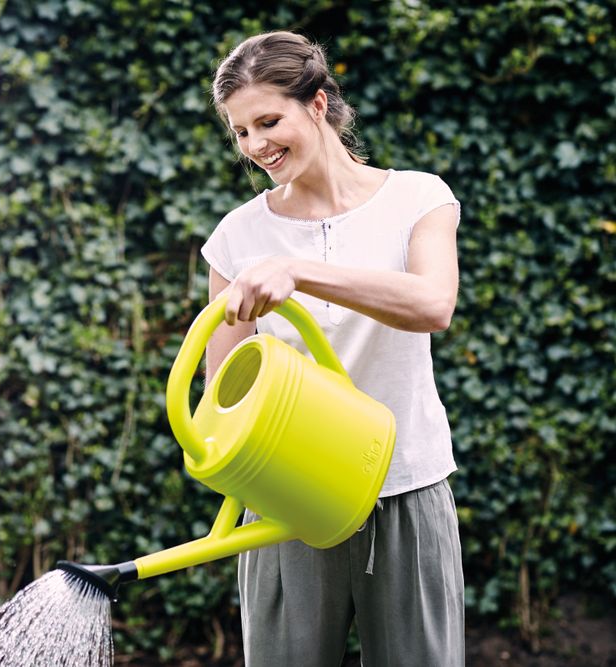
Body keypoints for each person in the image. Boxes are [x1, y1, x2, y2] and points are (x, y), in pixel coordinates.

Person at [201, 31, 465, 666]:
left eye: (269, 121)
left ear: (317, 104)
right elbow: (223, 398)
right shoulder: (237, 237)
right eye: (241, 133)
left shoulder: (417, 198)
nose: (255, 146)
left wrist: (298, 272)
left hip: (404, 486)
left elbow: (433, 305)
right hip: (287, 502)